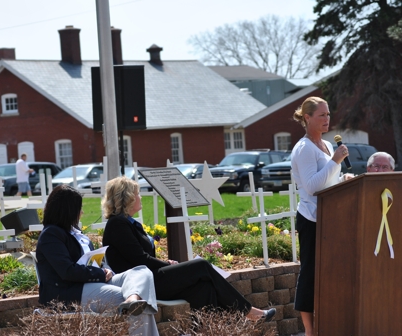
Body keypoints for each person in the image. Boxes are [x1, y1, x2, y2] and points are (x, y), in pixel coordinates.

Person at [101, 176, 276, 322]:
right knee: (201, 266)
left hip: (153, 277)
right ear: (128, 198)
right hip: (142, 283)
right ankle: (249, 312)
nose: (140, 197)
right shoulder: (118, 224)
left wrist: (166, 263)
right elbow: (139, 259)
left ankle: (207, 331)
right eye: (137, 194)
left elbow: (143, 256)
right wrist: (166, 264)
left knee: (204, 289)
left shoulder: (129, 223)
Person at [35, 184, 159, 336]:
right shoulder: (51, 235)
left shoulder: (76, 233)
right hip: (70, 291)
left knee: (142, 271)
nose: (81, 212)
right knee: (135, 300)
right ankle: (132, 300)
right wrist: (100, 273)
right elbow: (67, 271)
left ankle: (132, 298)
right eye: (78, 208)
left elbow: (92, 261)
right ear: (67, 210)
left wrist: (105, 269)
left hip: (92, 283)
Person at [291, 96, 353, 336]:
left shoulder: (327, 144)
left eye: (328, 115)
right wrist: (336, 161)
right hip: (311, 219)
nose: (327, 120)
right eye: (322, 115)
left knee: (330, 271)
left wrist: (343, 178)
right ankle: (310, 329)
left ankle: (330, 319)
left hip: (331, 218)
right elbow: (312, 187)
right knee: (310, 273)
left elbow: (328, 180)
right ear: (307, 118)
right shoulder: (305, 148)